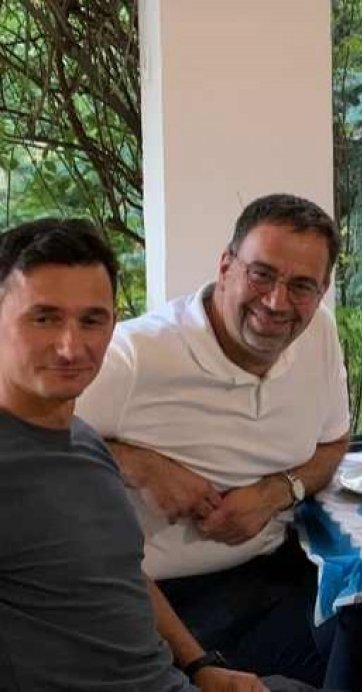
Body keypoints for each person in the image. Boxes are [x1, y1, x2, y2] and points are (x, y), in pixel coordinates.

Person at [75, 194, 350, 685]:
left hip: (272, 577)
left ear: (323, 290)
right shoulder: (135, 356)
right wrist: (139, 464)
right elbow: (27, 434)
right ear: (225, 266)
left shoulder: (318, 334)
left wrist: (276, 492)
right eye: (261, 274)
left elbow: (333, 444)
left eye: (301, 286)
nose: (276, 302)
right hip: (158, 603)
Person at [0, 219, 269, 691]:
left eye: (92, 320)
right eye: (44, 318)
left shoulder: (84, 440)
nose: (71, 347)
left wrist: (201, 665)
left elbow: (120, 572)